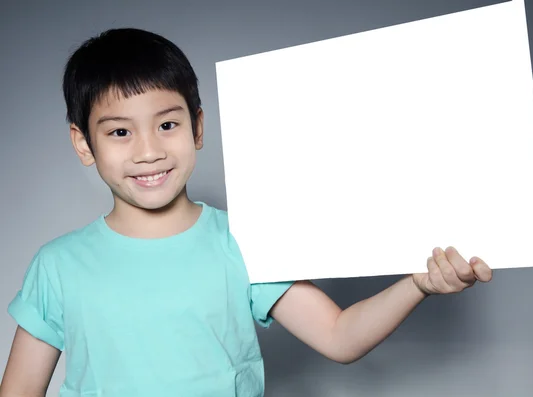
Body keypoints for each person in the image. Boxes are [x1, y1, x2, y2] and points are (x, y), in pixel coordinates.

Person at [0, 28, 493, 397]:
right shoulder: (58, 264)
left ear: (197, 127)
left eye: (166, 124)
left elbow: (340, 337)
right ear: (83, 144)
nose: (148, 150)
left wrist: (419, 284)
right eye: (120, 132)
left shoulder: (244, 240)